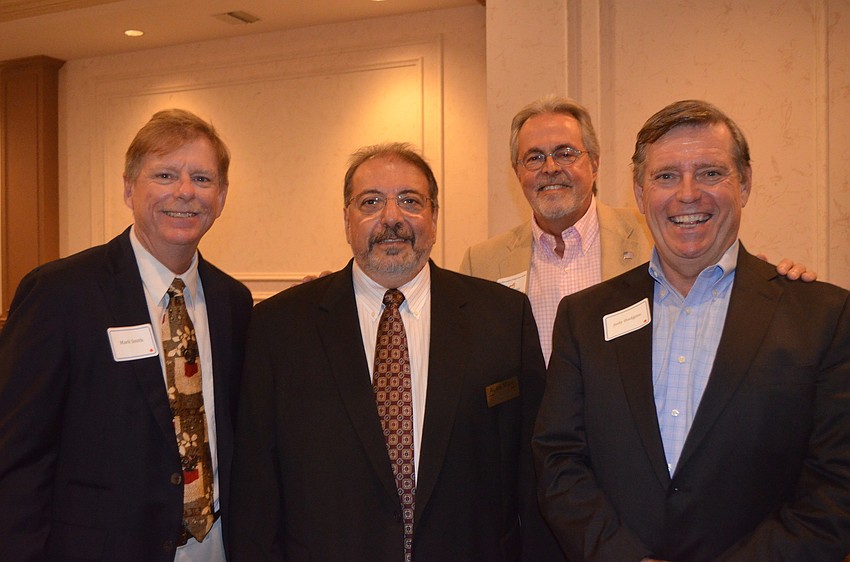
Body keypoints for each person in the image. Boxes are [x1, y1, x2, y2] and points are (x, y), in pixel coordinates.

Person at [532, 100, 850, 561]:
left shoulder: (822, 315)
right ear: (640, 195)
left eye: (710, 173)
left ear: (744, 184)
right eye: (665, 176)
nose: (687, 194)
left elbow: (835, 486)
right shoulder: (585, 318)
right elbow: (558, 462)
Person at [229, 143, 560, 561]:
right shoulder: (280, 327)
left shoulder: (503, 318)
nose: (391, 218)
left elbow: (532, 474)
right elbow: (256, 489)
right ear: (346, 220)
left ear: (434, 218)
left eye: (410, 201)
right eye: (370, 202)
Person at [0, 109, 253, 561]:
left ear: (222, 196)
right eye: (164, 174)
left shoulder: (232, 301)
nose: (185, 192)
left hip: (214, 544)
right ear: (128, 188)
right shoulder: (61, 294)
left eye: (201, 178)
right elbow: (16, 457)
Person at [460, 95, 815, 363]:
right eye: (534, 157)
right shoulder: (483, 262)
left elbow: (723, 281)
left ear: (594, 163)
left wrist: (779, 280)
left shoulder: (659, 232)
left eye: (566, 153)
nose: (550, 168)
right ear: (517, 171)